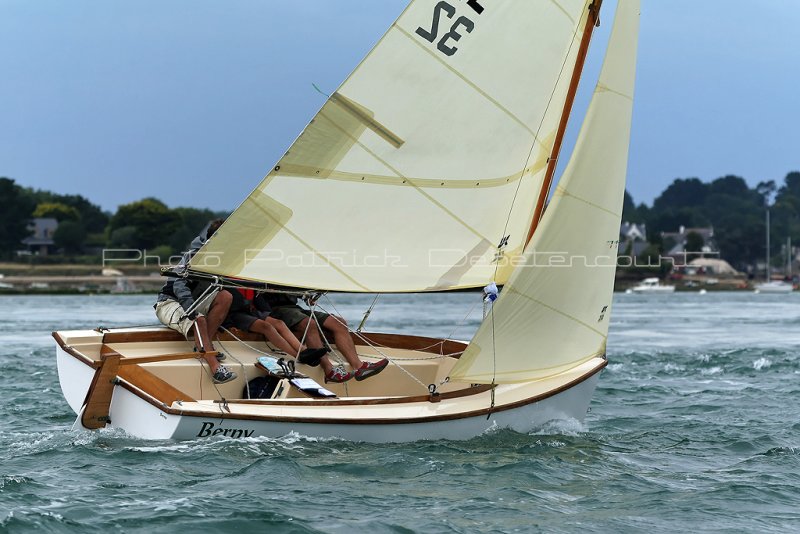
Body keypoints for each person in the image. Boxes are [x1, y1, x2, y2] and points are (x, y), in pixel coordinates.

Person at [154, 219, 237, 384]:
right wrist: (190, 308)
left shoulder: (223, 259)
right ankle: (216, 369)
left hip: (194, 301)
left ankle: (204, 346)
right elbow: (178, 284)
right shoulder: (195, 256)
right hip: (169, 301)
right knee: (198, 318)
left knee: (225, 296)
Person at [265, 289, 389, 383]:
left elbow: (292, 289)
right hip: (273, 311)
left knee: (339, 323)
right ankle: (329, 370)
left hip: (294, 308)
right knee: (310, 324)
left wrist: (306, 294)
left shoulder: (288, 270)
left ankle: (359, 366)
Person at [223, 288, 329, 365]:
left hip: (251, 311)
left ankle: (303, 350)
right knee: (266, 327)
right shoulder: (228, 282)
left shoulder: (249, 279)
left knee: (279, 323)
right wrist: (229, 325)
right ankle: (298, 356)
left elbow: (257, 299)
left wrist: (268, 313)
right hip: (236, 314)